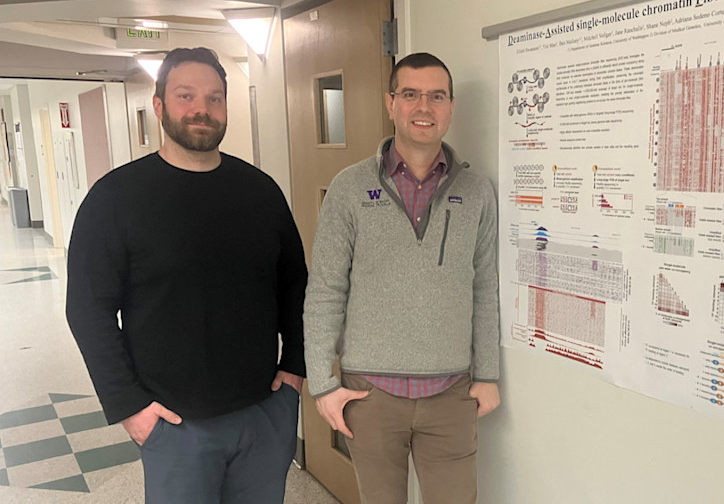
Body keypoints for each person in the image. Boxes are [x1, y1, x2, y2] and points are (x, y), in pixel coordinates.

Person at [66, 47, 307, 504]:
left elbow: (295, 284)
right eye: (185, 96)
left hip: (263, 413)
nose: (202, 108)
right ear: (159, 106)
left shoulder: (260, 193)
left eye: (215, 98)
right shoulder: (115, 198)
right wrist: (129, 406)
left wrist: (295, 366)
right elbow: (87, 310)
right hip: (172, 424)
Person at [303, 52, 500, 503]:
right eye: (410, 94)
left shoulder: (476, 192)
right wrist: (323, 384)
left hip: (451, 393)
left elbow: (484, 287)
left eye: (436, 96)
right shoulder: (349, 188)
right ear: (391, 103)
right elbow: (326, 290)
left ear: (450, 107)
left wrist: (488, 373)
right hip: (370, 394)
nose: (423, 107)